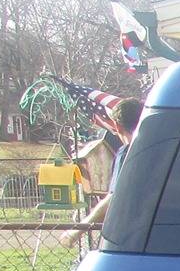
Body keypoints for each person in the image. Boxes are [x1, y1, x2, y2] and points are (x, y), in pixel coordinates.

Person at [60, 96, 143, 247]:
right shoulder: (164, 150)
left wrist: (77, 231)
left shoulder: (128, 153)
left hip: (130, 238)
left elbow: (114, 199)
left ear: (117, 127)